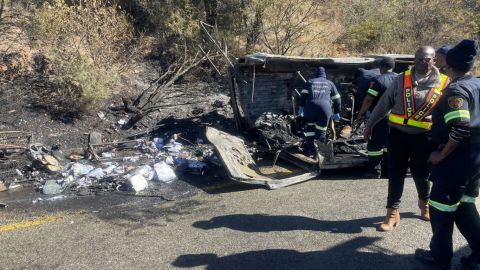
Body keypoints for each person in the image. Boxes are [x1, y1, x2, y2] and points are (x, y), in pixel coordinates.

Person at [364, 46, 449, 232]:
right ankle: (392, 213)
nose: (420, 62)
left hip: (425, 138)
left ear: (434, 60)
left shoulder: (444, 83)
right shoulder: (401, 79)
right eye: (417, 59)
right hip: (397, 135)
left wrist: (437, 120)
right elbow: (383, 103)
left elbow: (449, 113)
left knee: (421, 175)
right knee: (395, 174)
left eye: (425, 59)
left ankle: (424, 204)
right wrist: (370, 124)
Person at [414, 39, 480, 270]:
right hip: (473, 161)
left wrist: (441, 155)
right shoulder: (477, 84)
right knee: (465, 207)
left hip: (454, 162)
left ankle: (439, 259)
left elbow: (461, 126)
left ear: (450, 66)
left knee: (441, 209)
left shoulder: (456, 89)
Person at [357, 57, 398, 178]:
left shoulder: (378, 80)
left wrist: (361, 113)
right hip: (398, 117)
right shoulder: (401, 79)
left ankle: (374, 171)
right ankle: (389, 170)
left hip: (380, 117)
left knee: (375, 144)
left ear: (381, 67)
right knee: (390, 144)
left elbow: (369, 99)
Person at [298, 67, 341, 157]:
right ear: (324, 75)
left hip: (310, 108)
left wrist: (301, 107)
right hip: (325, 109)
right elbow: (337, 99)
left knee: (310, 130)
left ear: (315, 74)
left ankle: (311, 152)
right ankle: (322, 155)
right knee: (321, 132)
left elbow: (303, 96)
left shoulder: (310, 82)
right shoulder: (330, 83)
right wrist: (336, 112)